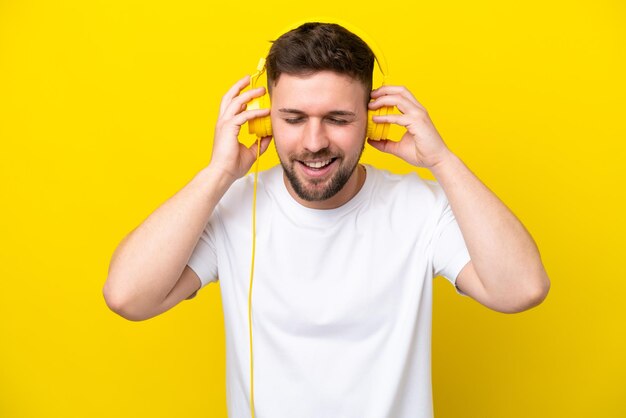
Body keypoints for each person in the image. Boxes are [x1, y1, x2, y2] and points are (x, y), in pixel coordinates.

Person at [103, 22, 550, 418]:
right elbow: (128, 297)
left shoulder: (420, 207)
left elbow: (521, 290)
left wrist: (442, 161)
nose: (314, 142)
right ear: (264, 122)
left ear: (370, 120)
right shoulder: (232, 208)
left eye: (337, 119)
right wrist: (218, 174)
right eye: (293, 119)